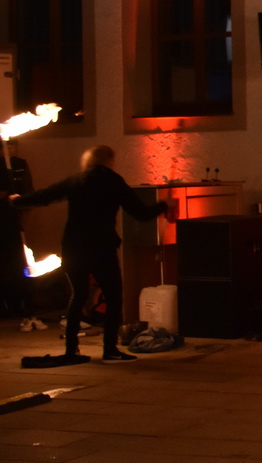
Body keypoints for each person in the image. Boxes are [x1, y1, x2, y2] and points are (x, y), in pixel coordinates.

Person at [13, 145, 167, 363]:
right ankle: (110, 351)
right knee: (114, 296)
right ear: (108, 160)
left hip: (73, 246)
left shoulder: (76, 180)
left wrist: (16, 200)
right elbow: (140, 213)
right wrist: (163, 206)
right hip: (101, 246)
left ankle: (71, 350)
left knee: (78, 295)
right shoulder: (113, 181)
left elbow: (45, 196)